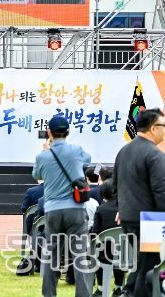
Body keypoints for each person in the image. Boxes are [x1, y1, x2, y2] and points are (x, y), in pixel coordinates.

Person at [32, 115, 93, 297]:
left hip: (53, 210)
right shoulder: (76, 150)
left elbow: (37, 175)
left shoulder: (42, 156)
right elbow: (87, 161)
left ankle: (49, 294)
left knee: (52, 255)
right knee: (80, 255)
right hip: (75, 208)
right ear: (68, 131)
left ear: (49, 132)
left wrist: (47, 150)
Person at [113, 108, 165, 297]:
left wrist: (121, 209)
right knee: (148, 266)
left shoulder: (123, 151)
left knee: (142, 263)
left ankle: (128, 291)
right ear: (153, 128)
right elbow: (161, 191)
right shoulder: (154, 154)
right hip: (150, 221)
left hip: (128, 218)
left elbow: (116, 185)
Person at [90, 179, 125, 296]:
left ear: (103, 193)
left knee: (98, 253)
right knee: (120, 252)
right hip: (125, 253)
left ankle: (101, 288)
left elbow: (95, 233)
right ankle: (119, 286)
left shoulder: (101, 209)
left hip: (105, 254)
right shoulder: (126, 208)